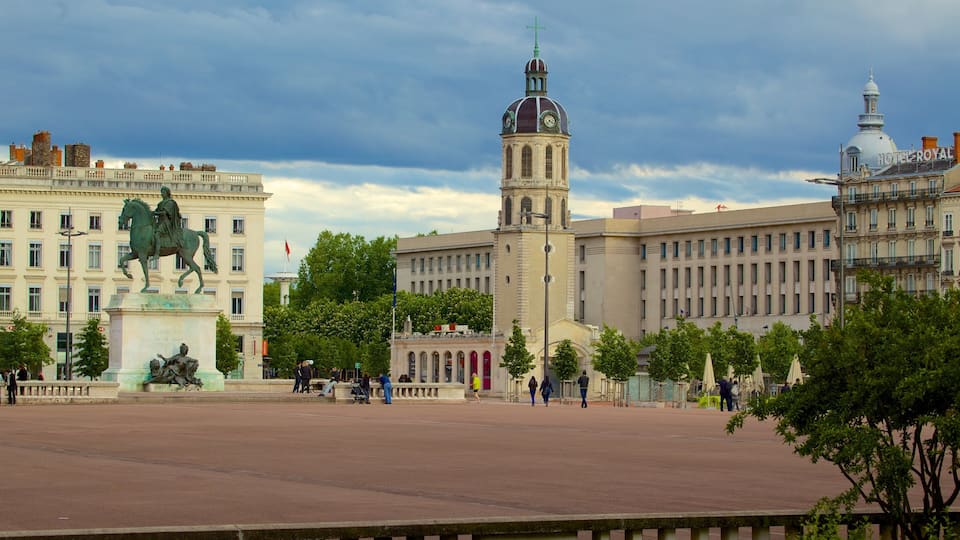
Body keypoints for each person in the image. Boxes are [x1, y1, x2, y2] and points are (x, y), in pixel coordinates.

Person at [152, 185, 182, 262]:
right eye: (161, 192)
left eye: (163, 192)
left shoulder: (170, 203)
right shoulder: (161, 203)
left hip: (166, 222)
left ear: (167, 193)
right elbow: (157, 211)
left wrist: (155, 213)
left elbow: (165, 213)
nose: (161, 194)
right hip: (159, 221)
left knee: (157, 234)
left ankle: (156, 254)